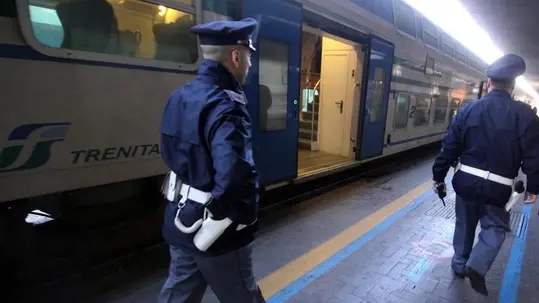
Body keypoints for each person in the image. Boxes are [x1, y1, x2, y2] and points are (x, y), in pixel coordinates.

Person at [157, 17, 265, 303]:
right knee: (244, 296)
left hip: (181, 219)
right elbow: (234, 175)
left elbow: (168, 153)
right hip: (217, 232)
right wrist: (244, 218)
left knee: (178, 294)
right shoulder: (227, 106)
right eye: (249, 57)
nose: (250, 65)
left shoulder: (179, 96)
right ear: (236, 55)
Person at [432, 54, 539, 296]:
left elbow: (449, 146)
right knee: (496, 227)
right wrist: (534, 186)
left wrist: (438, 175)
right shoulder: (524, 115)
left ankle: (460, 264)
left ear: (489, 82)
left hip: (466, 183)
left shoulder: (469, 110)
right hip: (498, 188)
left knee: (464, 225)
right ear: (512, 86)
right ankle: (477, 265)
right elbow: (534, 154)